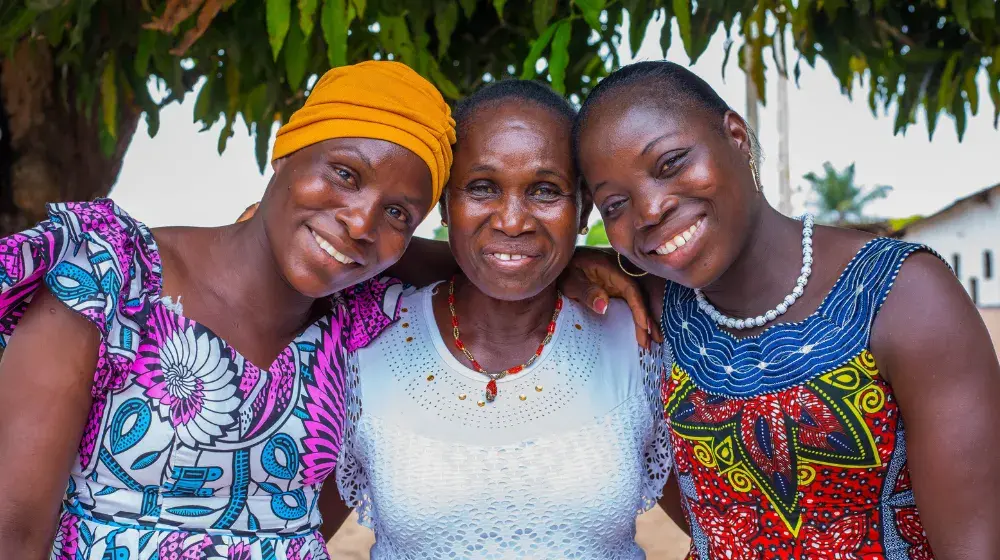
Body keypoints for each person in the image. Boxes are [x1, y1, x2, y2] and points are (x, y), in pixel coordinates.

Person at [0, 60, 458, 560]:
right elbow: (13, 534)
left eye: (398, 213)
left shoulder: (356, 330)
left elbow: (483, 267)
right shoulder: (113, 277)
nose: (360, 220)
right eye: (345, 174)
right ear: (284, 153)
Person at [573, 60, 1000, 559]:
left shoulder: (900, 295)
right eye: (615, 205)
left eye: (671, 164)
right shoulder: (653, 305)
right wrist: (567, 262)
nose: (649, 211)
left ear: (736, 136)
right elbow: (483, 266)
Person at [331, 80, 672, 559]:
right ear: (445, 204)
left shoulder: (636, 339)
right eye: (483, 187)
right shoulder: (364, 343)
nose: (513, 221)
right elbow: (295, 529)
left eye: (545, 191)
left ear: (582, 211)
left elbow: (713, 527)